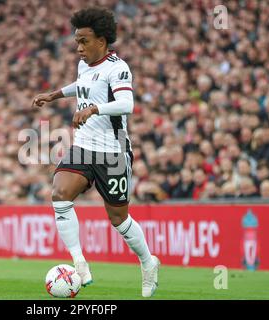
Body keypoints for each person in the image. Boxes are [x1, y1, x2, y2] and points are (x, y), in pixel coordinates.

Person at [31, 7, 160, 298]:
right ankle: (80, 264)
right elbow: (83, 86)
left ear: (101, 41)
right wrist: (55, 94)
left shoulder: (118, 67)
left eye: (84, 41)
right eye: (76, 41)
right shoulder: (84, 64)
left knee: (119, 220)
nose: (78, 47)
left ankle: (147, 262)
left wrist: (93, 109)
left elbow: (127, 104)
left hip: (113, 153)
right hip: (84, 147)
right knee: (59, 195)